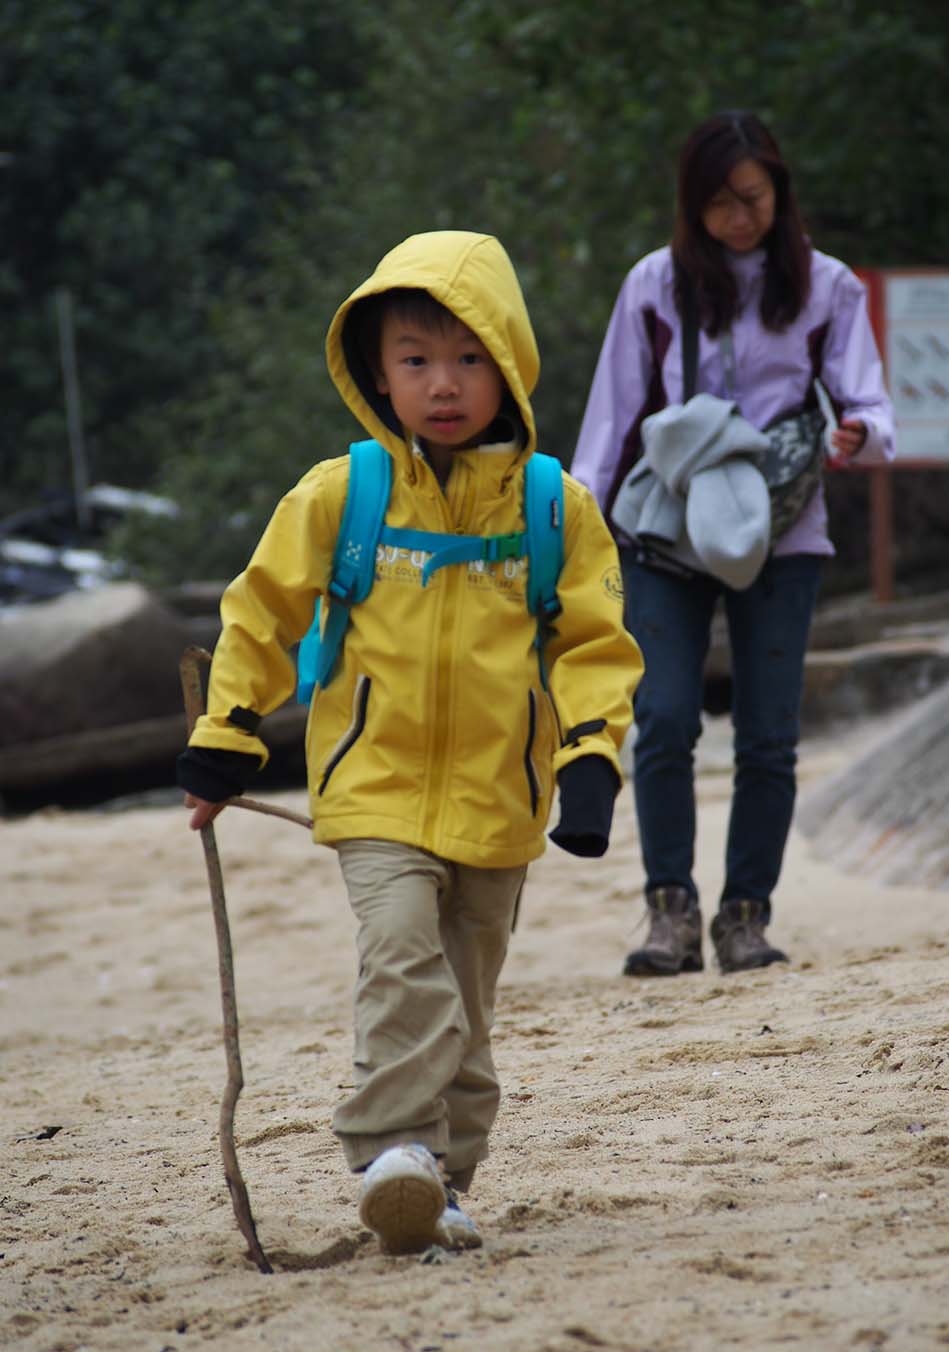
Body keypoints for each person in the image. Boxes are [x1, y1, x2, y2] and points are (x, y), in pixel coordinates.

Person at [177, 231, 643, 1254]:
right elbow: (262, 611)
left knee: (467, 1015)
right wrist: (228, 730)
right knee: (401, 954)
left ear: (509, 364)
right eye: (417, 360)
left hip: (500, 799)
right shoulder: (343, 495)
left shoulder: (551, 506)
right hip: (374, 787)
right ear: (379, 374)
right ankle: (390, 1146)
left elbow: (594, 644)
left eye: (469, 359)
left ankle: (442, 1182)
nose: (443, 384)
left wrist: (594, 759)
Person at [571, 111, 895, 980]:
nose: (738, 218)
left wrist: (860, 433)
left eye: (752, 198)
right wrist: (575, 525)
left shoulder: (827, 286)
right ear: (691, 206)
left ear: (780, 193)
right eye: (718, 203)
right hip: (663, 532)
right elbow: (611, 415)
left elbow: (869, 400)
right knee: (665, 716)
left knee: (768, 735)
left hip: (784, 530)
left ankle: (745, 916)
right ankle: (668, 912)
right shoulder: (653, 284)